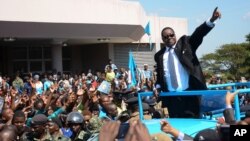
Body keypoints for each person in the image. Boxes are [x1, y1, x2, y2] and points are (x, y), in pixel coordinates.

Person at [154, 7, 221, 118]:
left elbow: (198, 34)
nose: (169, 38)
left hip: (189, 94)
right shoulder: (159, 55)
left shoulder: (186, 44)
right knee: (177, 127)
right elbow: (160, 76)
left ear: (174, 35)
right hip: (172, 98)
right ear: (162, 39)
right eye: (166, 37)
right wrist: (157, 86)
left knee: (192, 124)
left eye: (171, 35)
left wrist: (212, 20)